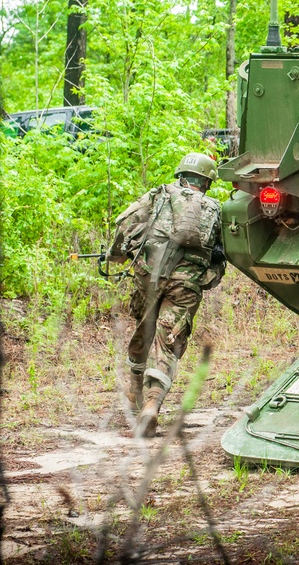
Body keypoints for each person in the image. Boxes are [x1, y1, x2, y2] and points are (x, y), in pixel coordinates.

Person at [111, 152, 226, 437]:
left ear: (181, 175)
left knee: (143, 329)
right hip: (185, 286)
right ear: (207, 182)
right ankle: (152, 404)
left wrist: (116, 255)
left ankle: (134, 388)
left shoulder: (157, 196)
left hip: (149, 277)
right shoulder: (213, 208)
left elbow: (124, 224)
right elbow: (221, 256)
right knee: (169, 341)